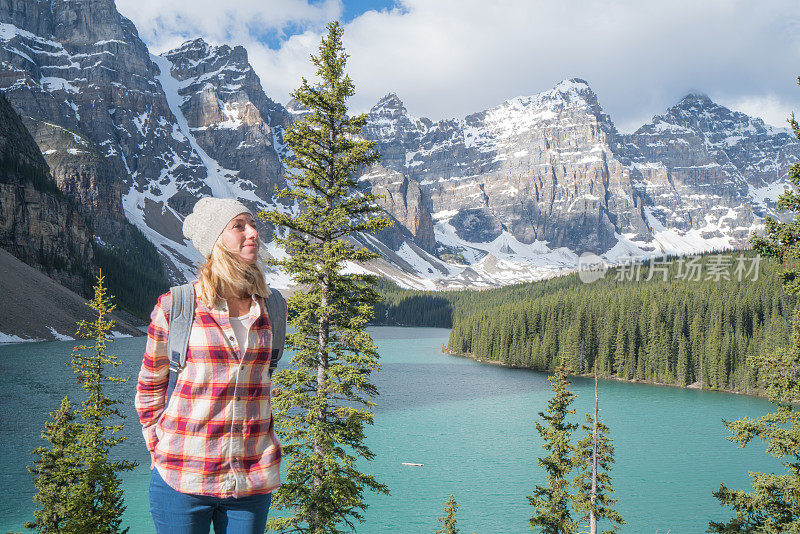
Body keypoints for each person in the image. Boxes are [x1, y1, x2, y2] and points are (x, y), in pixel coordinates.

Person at [135, 197, 283, 534]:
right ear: (215, 241)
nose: (253, 234)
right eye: (239, 226)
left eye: (253, 225)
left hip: (249, 481)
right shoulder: (178, 305)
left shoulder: (273, 306)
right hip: (182, 477)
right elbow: (150, 384)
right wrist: (158, 444)